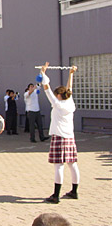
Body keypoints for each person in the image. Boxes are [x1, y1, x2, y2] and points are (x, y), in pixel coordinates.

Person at [40, 62, 80, 204]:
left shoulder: (57, 104)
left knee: (59, 166)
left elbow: (46, 88)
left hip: (59, 137)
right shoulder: (70, 102)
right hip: (70, 137)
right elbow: (69, 88)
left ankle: (55, 196)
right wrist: (71, 73)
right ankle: (74, 192)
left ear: (58, 95)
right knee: (72, 164)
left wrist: (43, 73)